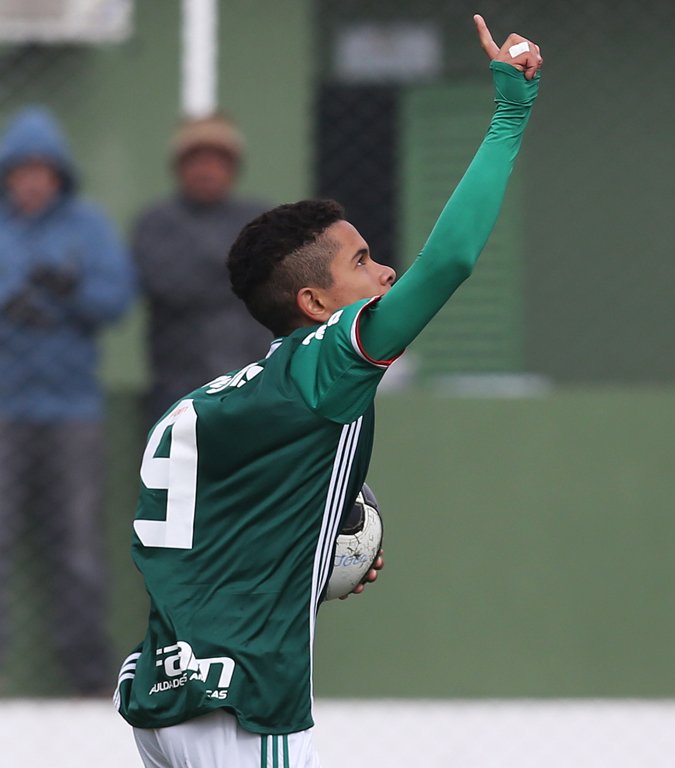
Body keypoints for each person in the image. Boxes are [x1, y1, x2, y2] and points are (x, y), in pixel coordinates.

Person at [115, 15, 542, 766]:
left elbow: (215, 551)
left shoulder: (215, 399)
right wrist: (510, 113)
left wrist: (318, 551)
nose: (384, 275)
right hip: (244, 705)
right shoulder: (324, 364)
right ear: (314, 305)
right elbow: (448, 264)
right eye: (364, 261)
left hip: (162, 697)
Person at [0, 106, 135, 694]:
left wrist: (66, 290)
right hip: (4, 408)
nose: (32, 180)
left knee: (77, 546)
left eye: (43, 170)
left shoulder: (88, 226)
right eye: (21, 170)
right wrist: (13, 300)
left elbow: (115, 297)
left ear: (59, 175)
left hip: (71, 410)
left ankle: (84, 678)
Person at [132, 111, 272, 425]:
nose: (207, 170)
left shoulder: (259, 218)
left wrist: (206, 268)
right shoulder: (156, 222)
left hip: (252, 379)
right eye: (197, 160)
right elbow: (166, 283)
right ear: (179, 168)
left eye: (218, 161)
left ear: (233, 168)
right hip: (178, 387)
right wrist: (236, 272)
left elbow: (275, 282)